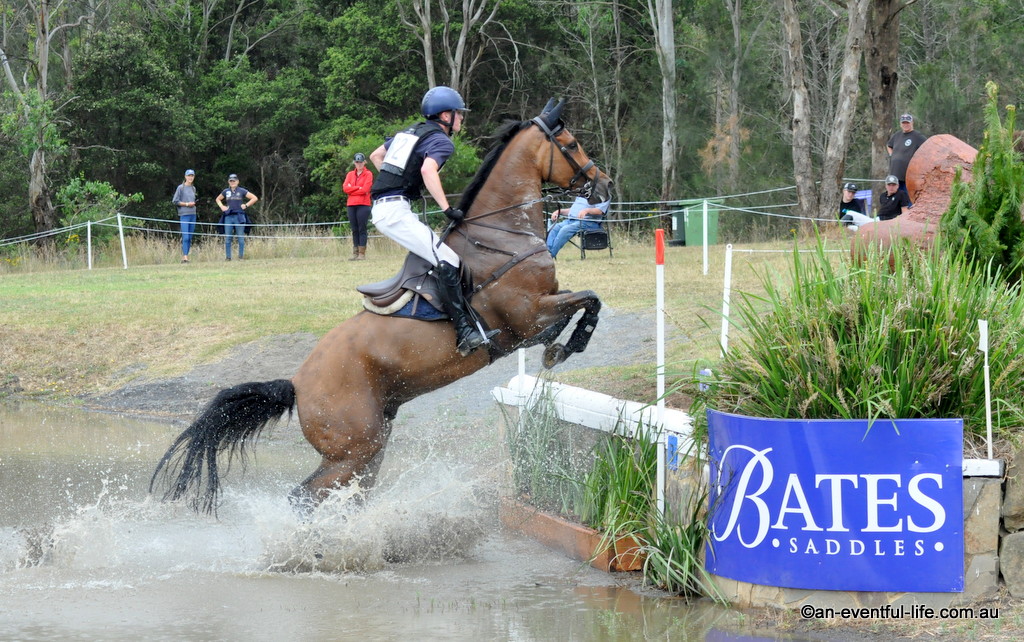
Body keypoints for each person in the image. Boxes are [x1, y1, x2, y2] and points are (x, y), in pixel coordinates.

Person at [368, 85, 497, 356]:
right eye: (458, 114)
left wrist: (401, 181)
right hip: (394, 213)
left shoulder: (408, 132)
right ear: (445, 116)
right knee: (448, 261)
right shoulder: (440, 140)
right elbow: (428, 169)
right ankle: (464, 333)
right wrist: (447, 208)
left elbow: (376, 156)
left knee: (439, 256)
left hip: (388, 208)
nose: (462, 118)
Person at [546, 196, 611, 257]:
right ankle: (546, 252)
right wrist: (559, 211)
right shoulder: (582, 194)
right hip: (571, 220)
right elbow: (573, 210)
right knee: (553, 228)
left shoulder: (602, 194)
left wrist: (586, 210)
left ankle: (550, 255)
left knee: (565, 230)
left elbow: (600, 211)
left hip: (588, 222)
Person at [215, 174, 258, 260]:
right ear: (228, 182)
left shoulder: (242, 191)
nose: (232, 182)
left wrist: (246, 205)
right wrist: (222, 207)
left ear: (238, 181)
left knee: (240, 237)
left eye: (234, 180)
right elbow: (218, 199)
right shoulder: (226, 191)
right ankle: (228, 257)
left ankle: (241, 257)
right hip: (228, 216)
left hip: (239, 216)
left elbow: (254, 198)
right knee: (228, 238)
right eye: (231, 181)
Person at [343, 152, 373, 261]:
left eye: (360, 162)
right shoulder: (350, 174)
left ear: (364, 162)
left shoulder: (368, 174)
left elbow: (366, 189)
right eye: (357, 162)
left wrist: (353, 189)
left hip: (363, 205)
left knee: (362, 228)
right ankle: (355, 253)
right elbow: (345, 188)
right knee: (354, 229)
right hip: (351, 204)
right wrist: (358, 189)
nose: (359, 164)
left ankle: (362, 254)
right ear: (354, 163)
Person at [886, 113, 927, 194]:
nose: (905, 125)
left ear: (912, 123)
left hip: (908, 175)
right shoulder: (897, 135)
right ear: (900, 124)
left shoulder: (917, 136)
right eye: (903, 123)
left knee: (907, 199)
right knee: (896, 198)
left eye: (907, 122)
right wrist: (892, 155)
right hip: (895, 174)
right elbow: (889, 145)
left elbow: (927, 146)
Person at [172, 169, 198, 263]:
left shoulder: (193, 188)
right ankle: (185, 256)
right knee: (185, 236)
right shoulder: (180, 188)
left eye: (192, 176)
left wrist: (193, 204)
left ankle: (186, 257)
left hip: (193, 214)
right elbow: (175, 201)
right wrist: (187, 204)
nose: (190, 177)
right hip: (184, 215)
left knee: (190, 237)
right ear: (185, 177)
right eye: (189, 176)